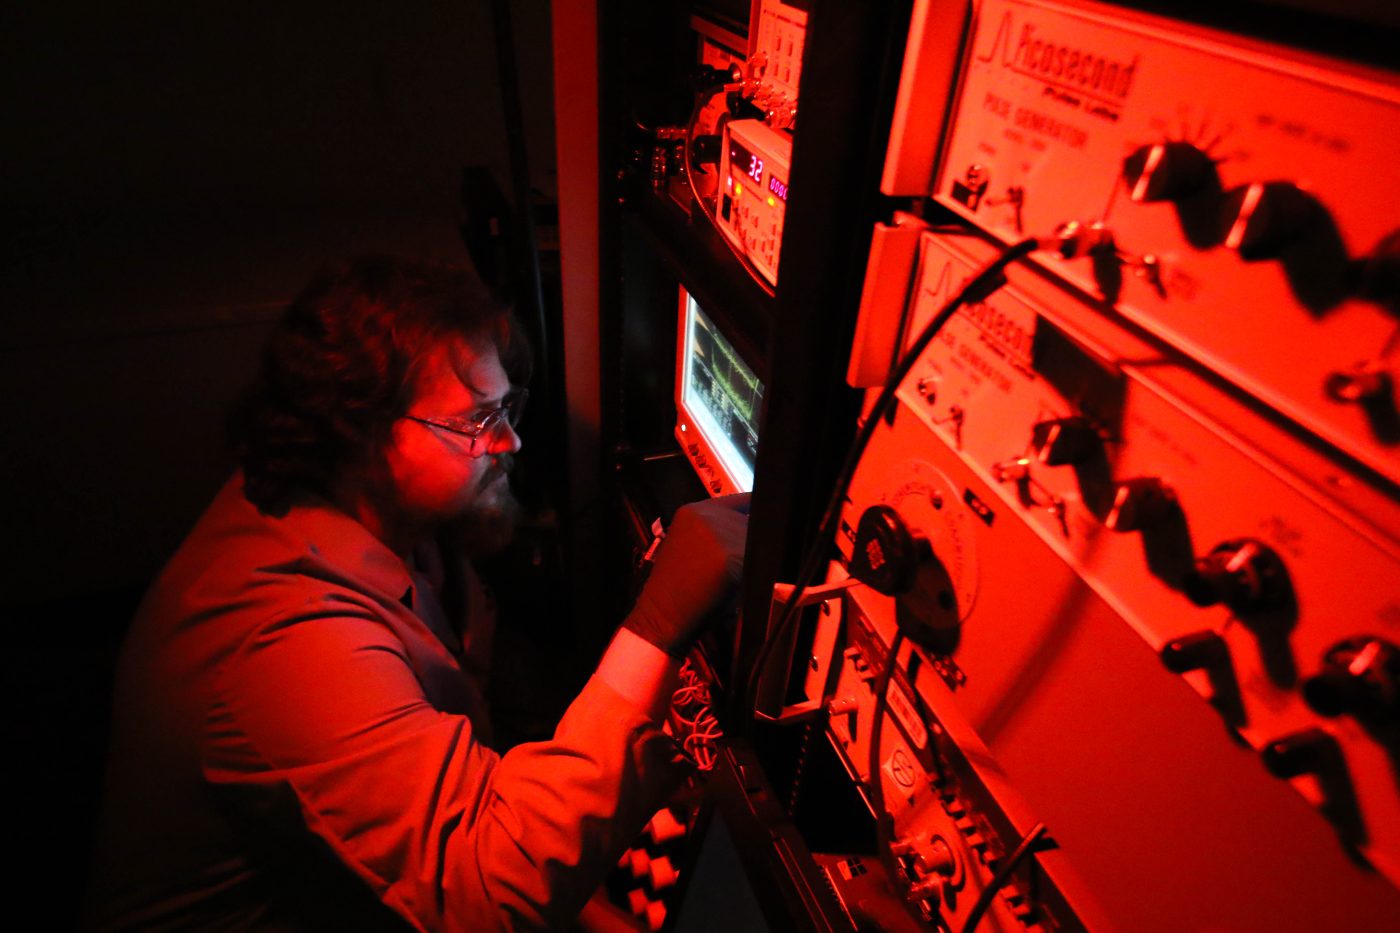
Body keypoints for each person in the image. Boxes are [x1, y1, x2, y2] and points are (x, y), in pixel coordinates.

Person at [85, 255, 749, 931]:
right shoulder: (285, 635)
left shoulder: (383, 517)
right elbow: (486, 896)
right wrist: (656, 628)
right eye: (476, 420)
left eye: (507, 407)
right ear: (362, 433)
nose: (509, 440)